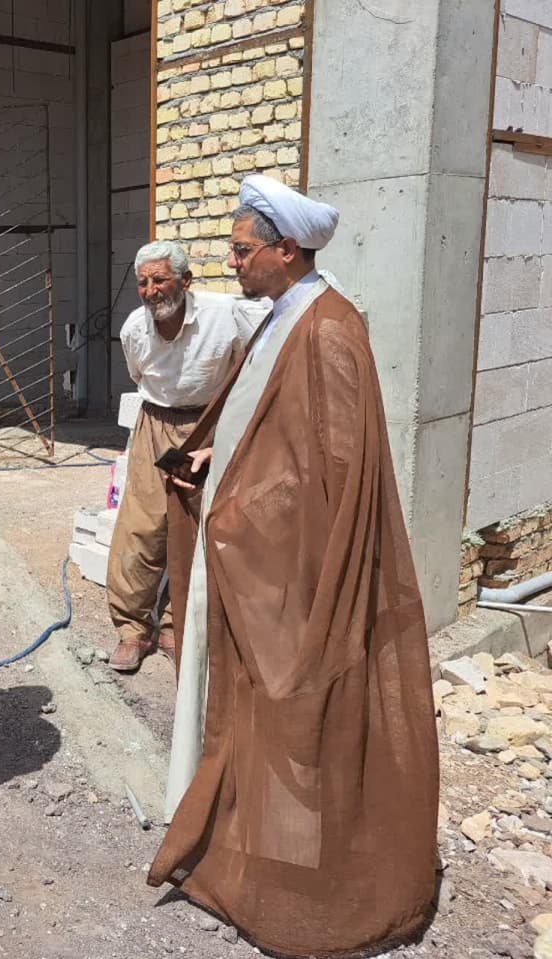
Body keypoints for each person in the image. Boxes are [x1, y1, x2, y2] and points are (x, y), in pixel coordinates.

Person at [147, 175, 439, 957]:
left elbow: (332, 476)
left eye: (243, 251)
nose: (232, 263)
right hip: (255, 554)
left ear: (285, 250)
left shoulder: (332, 329)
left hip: (294, 566)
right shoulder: (282, 317)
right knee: (248, 712)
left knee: (300, 716)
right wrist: (213, 452)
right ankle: (247, 850)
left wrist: (240, 512)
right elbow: (267, 424)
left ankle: (301, 888)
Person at [105, 241, 263, 672]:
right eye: (143, 282)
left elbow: (256, 359)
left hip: (209, 425)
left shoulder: (225, 315)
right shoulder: (135, 329)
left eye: (160, 280)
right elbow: (139, 375)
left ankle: (178, 627)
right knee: (141, 528)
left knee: (197, 527)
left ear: (186, 281)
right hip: (155, 424)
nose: (151, 290)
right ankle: (132, 630)